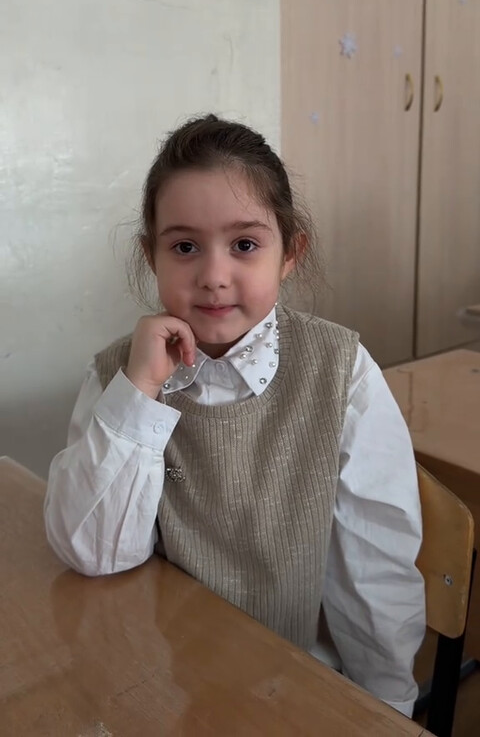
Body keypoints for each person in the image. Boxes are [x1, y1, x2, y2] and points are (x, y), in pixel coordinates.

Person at [44, 114, 425, 716]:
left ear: (290, 252)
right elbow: (96, 554)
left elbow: (374, 567)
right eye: (184, 247)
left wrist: (387, 708)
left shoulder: (340, 370)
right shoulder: (119, 375)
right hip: (162, 683)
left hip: (299, 683)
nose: (214, 278)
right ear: (151, 255)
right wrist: (140, 392)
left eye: (245, 245)